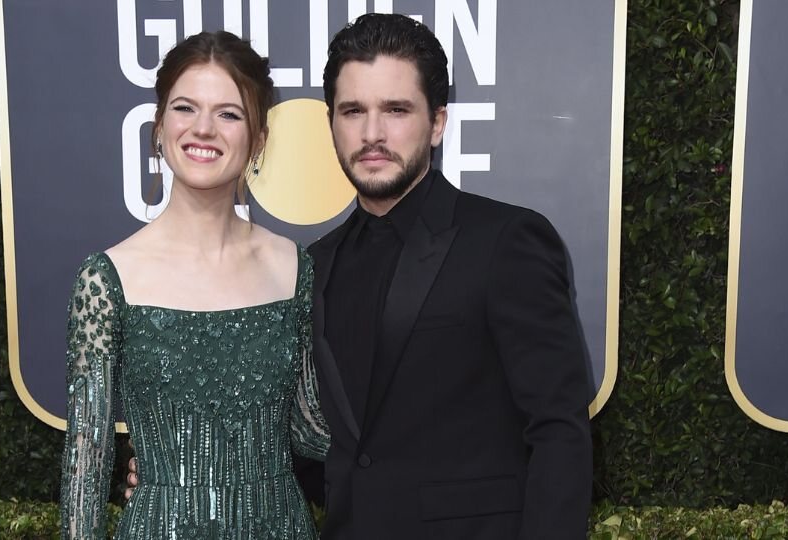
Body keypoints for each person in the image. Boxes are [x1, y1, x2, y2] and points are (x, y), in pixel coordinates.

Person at [130, 13, 593, 538]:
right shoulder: (312, 266)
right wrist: (183, 467)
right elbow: (303, 443)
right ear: (331, 123)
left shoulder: (506, 241)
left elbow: (559, 430)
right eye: (353, 111)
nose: (372, 133)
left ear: (437, 121)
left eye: (396, 110)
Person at [60, 31, 329, 539]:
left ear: (259, 138)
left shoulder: (293, 267)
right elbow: (86, 468)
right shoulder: (106, 279)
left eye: (229, 114)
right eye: (185, 108)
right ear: (159, 126)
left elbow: (310, 429)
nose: (203, 129)